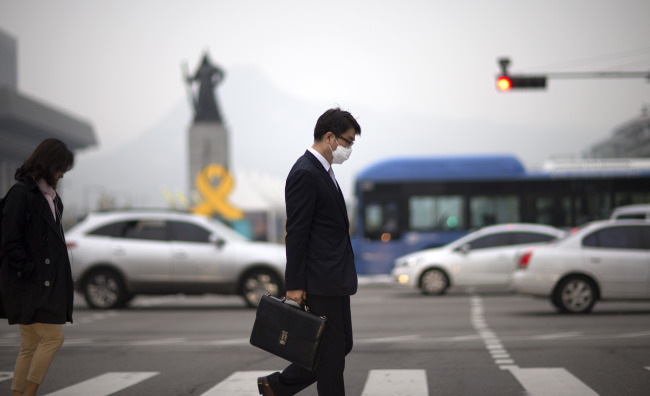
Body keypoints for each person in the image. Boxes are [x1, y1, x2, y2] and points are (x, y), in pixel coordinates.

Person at [257, 108, 361, 396]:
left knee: (341, 345)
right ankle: (277, 386)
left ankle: (277, 386)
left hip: (334, 278)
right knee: (331, 357)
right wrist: (295, 285)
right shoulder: (305, 172)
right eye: (348, 141)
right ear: (330, 137)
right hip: (319, 280)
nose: (349, 148)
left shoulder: (325, 172)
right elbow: (297, 233)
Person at [0, 138, 75, 396]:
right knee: (54, 337)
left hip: (41, 283)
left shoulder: (52, 199)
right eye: (60, 168)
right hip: (26, 282)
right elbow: (9, 239)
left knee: (30, 344)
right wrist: (29, 268)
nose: (62, 174)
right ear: (48, 164)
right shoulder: (21, 194)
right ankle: (29, 393)